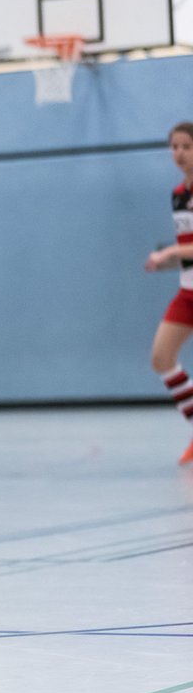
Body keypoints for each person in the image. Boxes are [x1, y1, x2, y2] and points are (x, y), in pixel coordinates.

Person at [146, 121, 193, 464]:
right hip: (188, 293)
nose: (179, 153)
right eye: (174, 147)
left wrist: (168, 254)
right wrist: (171, 260)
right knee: (161, 358)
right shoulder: (179, 194)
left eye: (186, 147)